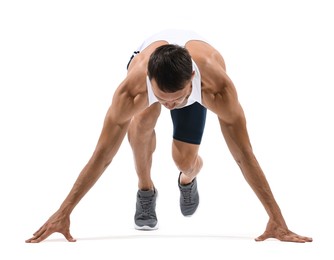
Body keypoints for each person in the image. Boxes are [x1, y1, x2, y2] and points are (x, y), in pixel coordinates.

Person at [25, 29, 312, 243]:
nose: (168, 106)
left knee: (184, 161)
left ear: (191, 82)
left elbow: (243, 155)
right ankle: (145, 189)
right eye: (162, 98)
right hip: (150, 74)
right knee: (142, 123)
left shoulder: (217, 89)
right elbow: (102, 155)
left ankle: (188, 179)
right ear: (149, 80)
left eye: (175, 100)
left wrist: (276, 218)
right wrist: (64, 211)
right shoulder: (132, 91)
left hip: (196, 80)